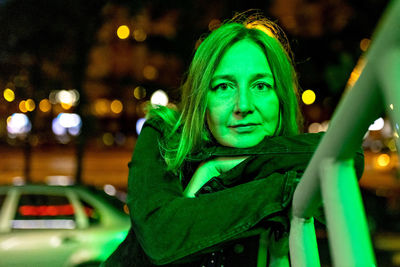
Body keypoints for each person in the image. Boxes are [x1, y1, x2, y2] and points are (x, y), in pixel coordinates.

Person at [102, 14, 364, 267]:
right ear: (202, 99)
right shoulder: (164, 133)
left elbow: (349, 154)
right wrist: (281, 189)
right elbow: (161, 239)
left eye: (260, 86)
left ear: (281, 98)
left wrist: (221, 168)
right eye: (224, 87)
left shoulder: (286, 156)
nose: (243, 105)